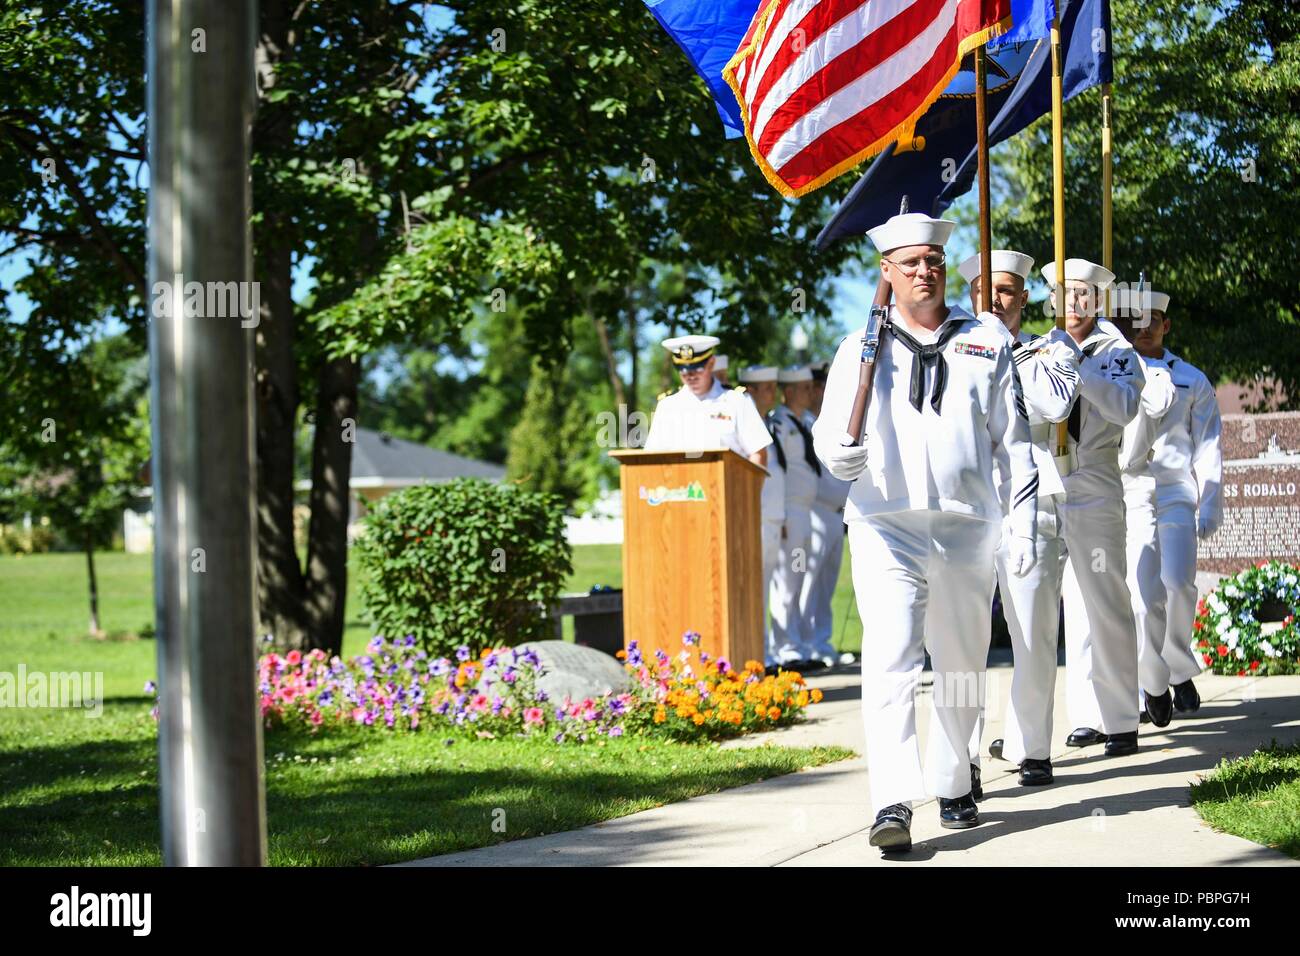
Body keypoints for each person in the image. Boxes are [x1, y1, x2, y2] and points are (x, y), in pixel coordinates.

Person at [812, 213, 1039, 851]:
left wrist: (1020, 521)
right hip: (886, 523)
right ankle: (891, 801)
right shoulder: (860, 346)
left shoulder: (986, 341)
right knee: (890, 660)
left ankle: (953, 775)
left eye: (932, 261)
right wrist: (839, 455)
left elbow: (1013, 443)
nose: (923, 272)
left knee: (963, 663)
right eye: (909, 263)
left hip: (968, 525)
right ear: (886, 272)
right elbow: (830, 430)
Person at [958, 251, 1081, 788]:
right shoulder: (953, 350)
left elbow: (1055, 406)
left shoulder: (1048, 348)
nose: (995, 300)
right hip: (965, 504)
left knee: (1032, 632)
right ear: (969, 296)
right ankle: (961, 760)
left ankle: (1033, 748)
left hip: (1033, 502)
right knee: (960, 640)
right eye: (985, 291)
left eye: (1006, 291)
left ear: (1024, 297)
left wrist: (1002, 348)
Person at [1044, 259, 1146, 757]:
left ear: (1099, 300)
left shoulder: (1116, 352)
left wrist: (1079, 368)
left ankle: (1121, 716)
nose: (1075, 303)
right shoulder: (1038, 346)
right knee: (1066, 604)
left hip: (1094, 474)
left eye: (1085, 294)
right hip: (1045, 475)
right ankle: (1085, 715)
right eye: (1066, 293)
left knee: (1104, 598)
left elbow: (1124, 408)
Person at [1131, 289, 1223, 714]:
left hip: (1175, 494)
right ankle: (1154, 683)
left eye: (1152, 319)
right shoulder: (1114, 370)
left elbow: (1207, 444)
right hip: (1130, 493)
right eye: (1136, 318)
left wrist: (1210, 501)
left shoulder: (1191, 378)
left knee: (1180, 586)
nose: (1143, 326)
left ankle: (1179, 667)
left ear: (1166, 325)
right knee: (1144, 597)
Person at [1115, 286, 1179, 728]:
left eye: (1136, 320)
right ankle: (1110, 711)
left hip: (1135, 487)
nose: (1133, 328)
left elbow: (1157, 402)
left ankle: (1154, 682)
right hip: (1086, 491)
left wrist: (1127, 361)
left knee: (1144, 597)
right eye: (1123, 319)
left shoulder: (1156, 373)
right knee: (1094, 609)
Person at [643, 335, 771, 468]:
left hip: (729, 486)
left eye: (697, 369)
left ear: (711, 364)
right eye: (684, 372)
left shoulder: (737, 401)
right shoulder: (667, 406)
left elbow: (758, 454)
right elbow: (653, 457)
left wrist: (747, 488)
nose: (691, 377)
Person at [801, 361, 853, 669]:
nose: (819, 392)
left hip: (837, 514)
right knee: (808, 582)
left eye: (821, 386)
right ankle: (805, 643)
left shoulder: (833, 420)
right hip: (815, 512)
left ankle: (821, 642)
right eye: (815, 387)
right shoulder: (806, 423)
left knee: (826, 584)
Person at [769, 366, 820, 669]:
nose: (809, 393)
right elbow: (782, 473)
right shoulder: (780, 424)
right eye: (803, 388)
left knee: (797, 579)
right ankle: (784, 648)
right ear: (788, 391)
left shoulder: (802, 422)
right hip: (790, 512)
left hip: (804, 513)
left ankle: (796, 644)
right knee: (786, 582)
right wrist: (785, 513)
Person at [740, 364, 786, 668]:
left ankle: (764, 651)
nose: (774, 393)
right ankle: (756, 652)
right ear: (750, 392)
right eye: (767, 387)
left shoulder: (767, 422)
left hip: (770, 516)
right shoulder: (743, 421)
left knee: (766, 586)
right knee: (753, 588)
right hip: (751, 515)